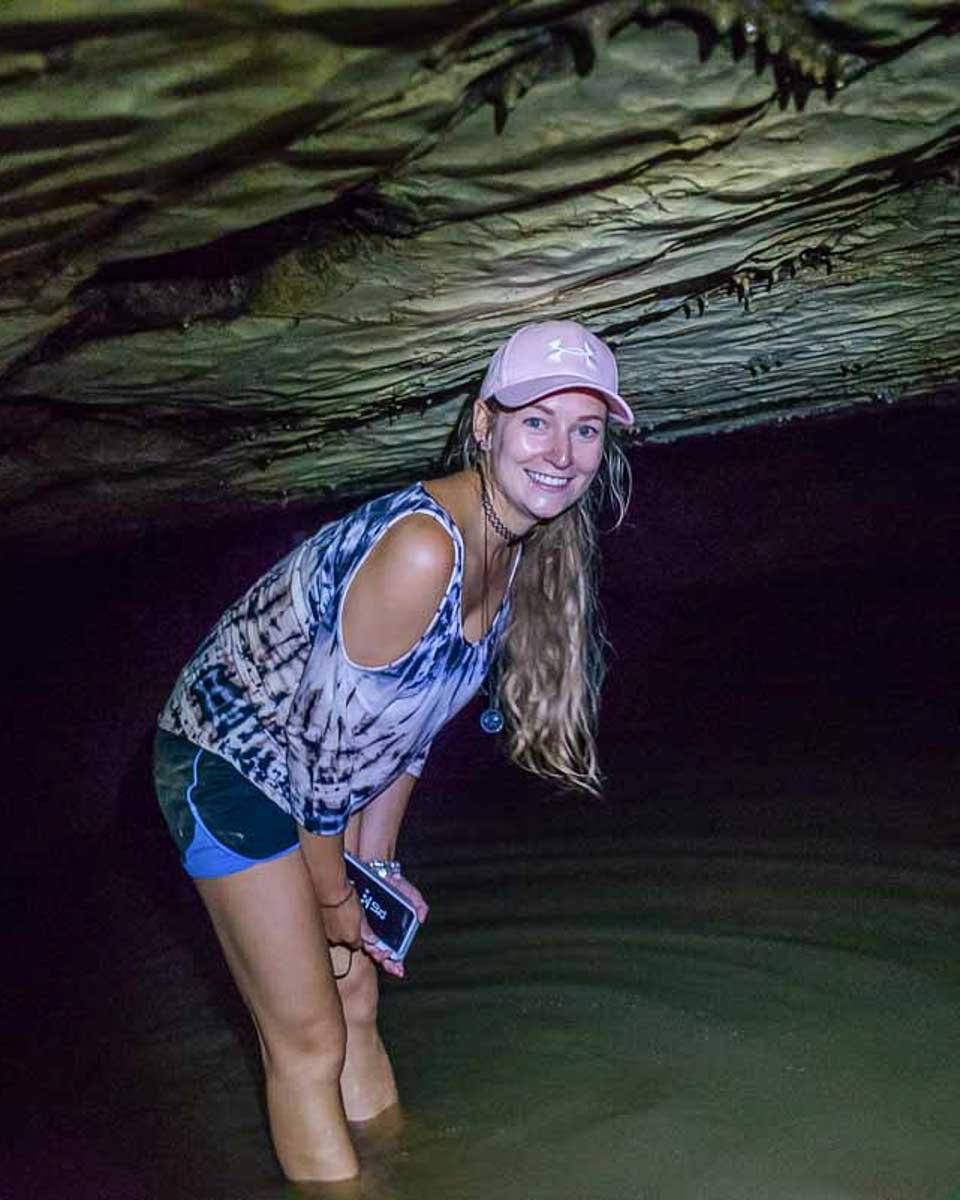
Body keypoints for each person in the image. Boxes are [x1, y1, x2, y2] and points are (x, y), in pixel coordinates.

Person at [152, 319, 634, 1182]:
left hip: (317, 772)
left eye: (586, 429)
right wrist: (337, 896)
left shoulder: (516, 552)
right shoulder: (422, 549)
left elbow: (408, 731)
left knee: (355, 994)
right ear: (484, 423)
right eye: (536, 421)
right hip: (228, 762)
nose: (562, 453)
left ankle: (402, 1168)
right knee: (307, 1037)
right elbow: (320, 760)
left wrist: (376, 866)